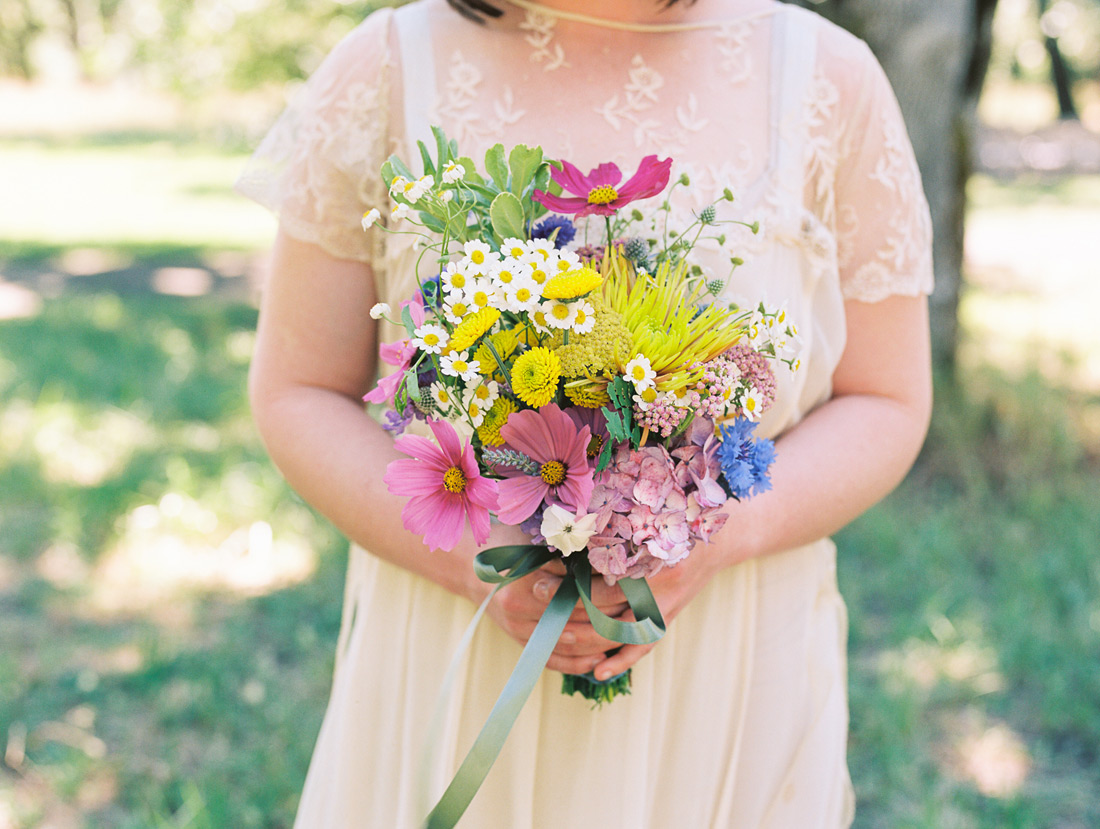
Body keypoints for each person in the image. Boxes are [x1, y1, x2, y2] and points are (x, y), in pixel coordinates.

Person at [236, 0, 933, 825]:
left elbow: (886, 398)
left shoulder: (826, 77)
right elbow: (299, 388)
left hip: (724, 667)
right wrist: (474, 563)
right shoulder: (388, 65)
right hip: (455, 652)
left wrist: (712, 540)